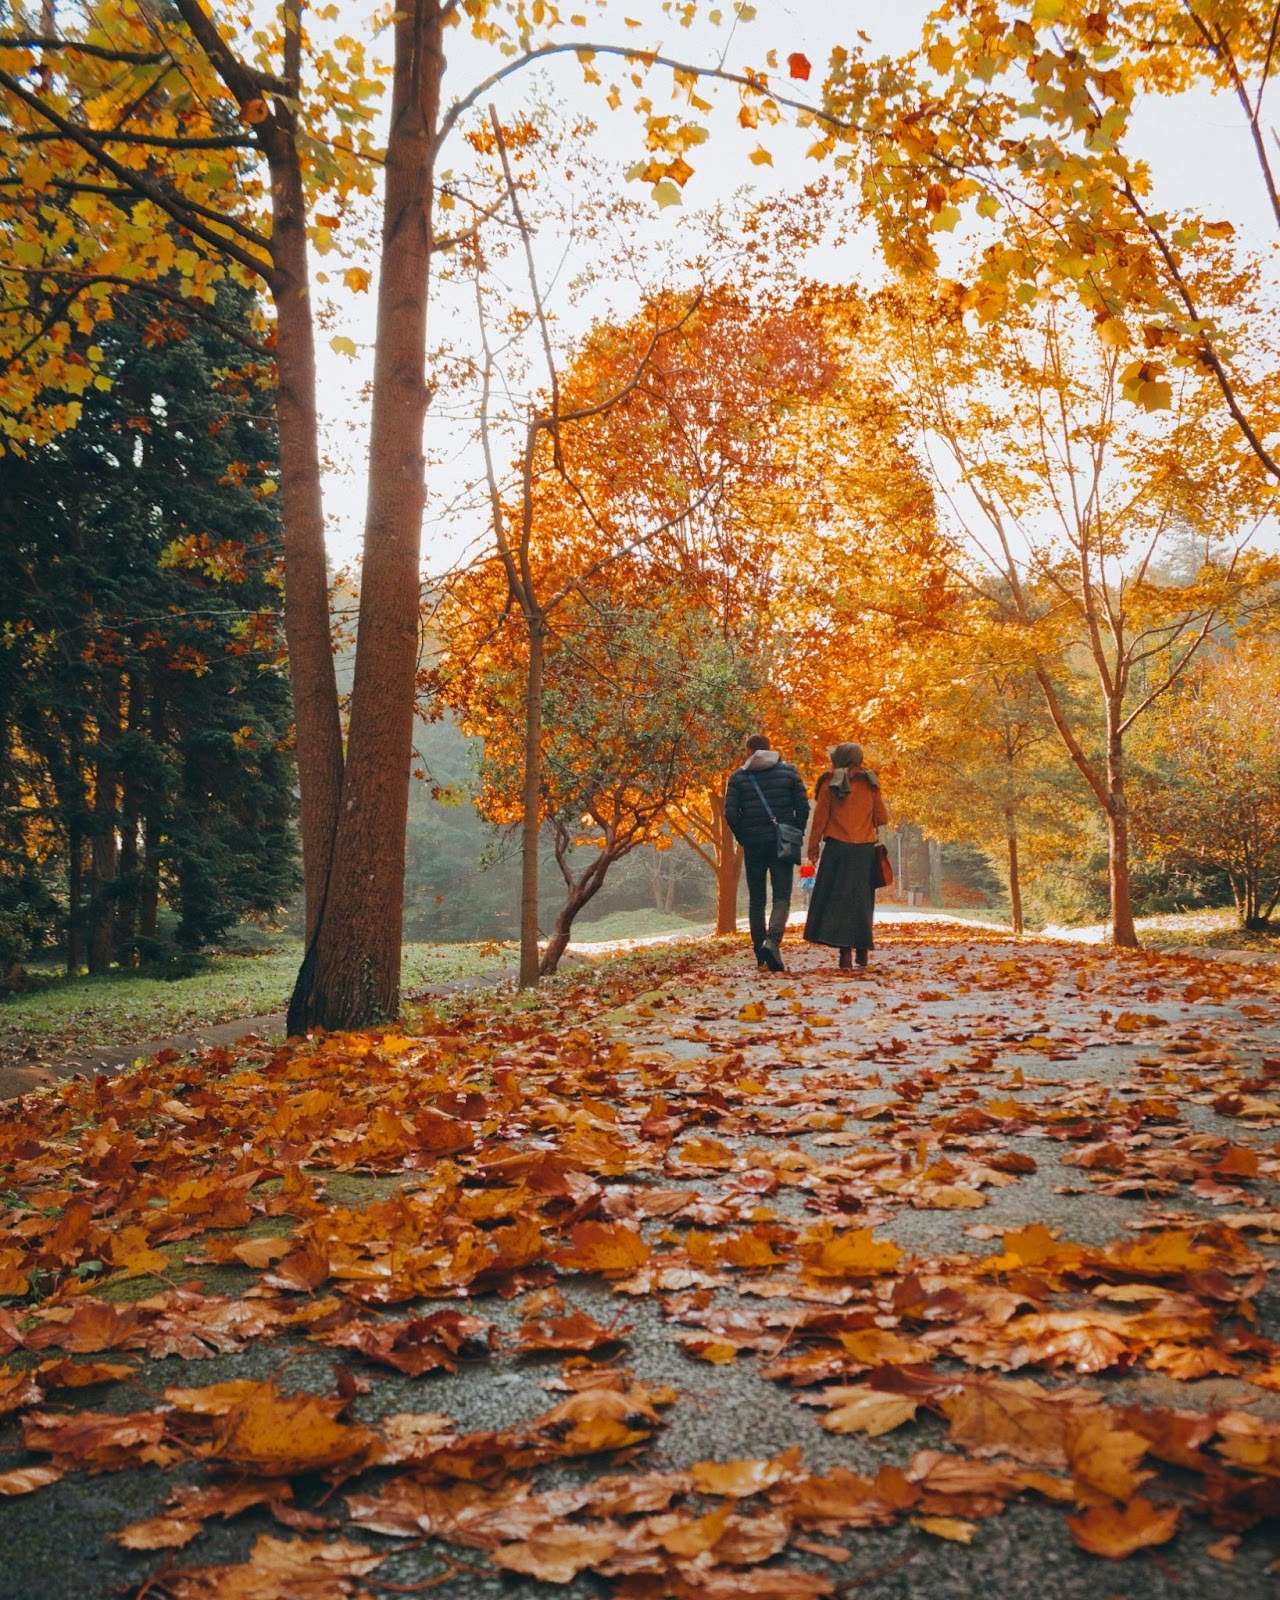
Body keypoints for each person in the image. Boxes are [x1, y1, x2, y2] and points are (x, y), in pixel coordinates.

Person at [724, 732, 810, 973]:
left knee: (757, 900)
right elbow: (803, 807)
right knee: (781, 896)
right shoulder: (789, 772)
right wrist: (795, 831)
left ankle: (759, 952)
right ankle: (772, 941)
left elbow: (730, 813)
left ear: (749, 752)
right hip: (781, 842)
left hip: (753, 844)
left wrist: (744, 836)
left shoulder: (739, 778)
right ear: (770, 749)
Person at [804, 741, 890, 971]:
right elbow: (882, 817)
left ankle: (845, 955)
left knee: (839, 901)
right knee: (862, 901)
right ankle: (863, 952)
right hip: (864, 851)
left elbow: (820, 819)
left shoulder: (829, 782)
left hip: (837, 850)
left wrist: (812, 849)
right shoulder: (870, 782)